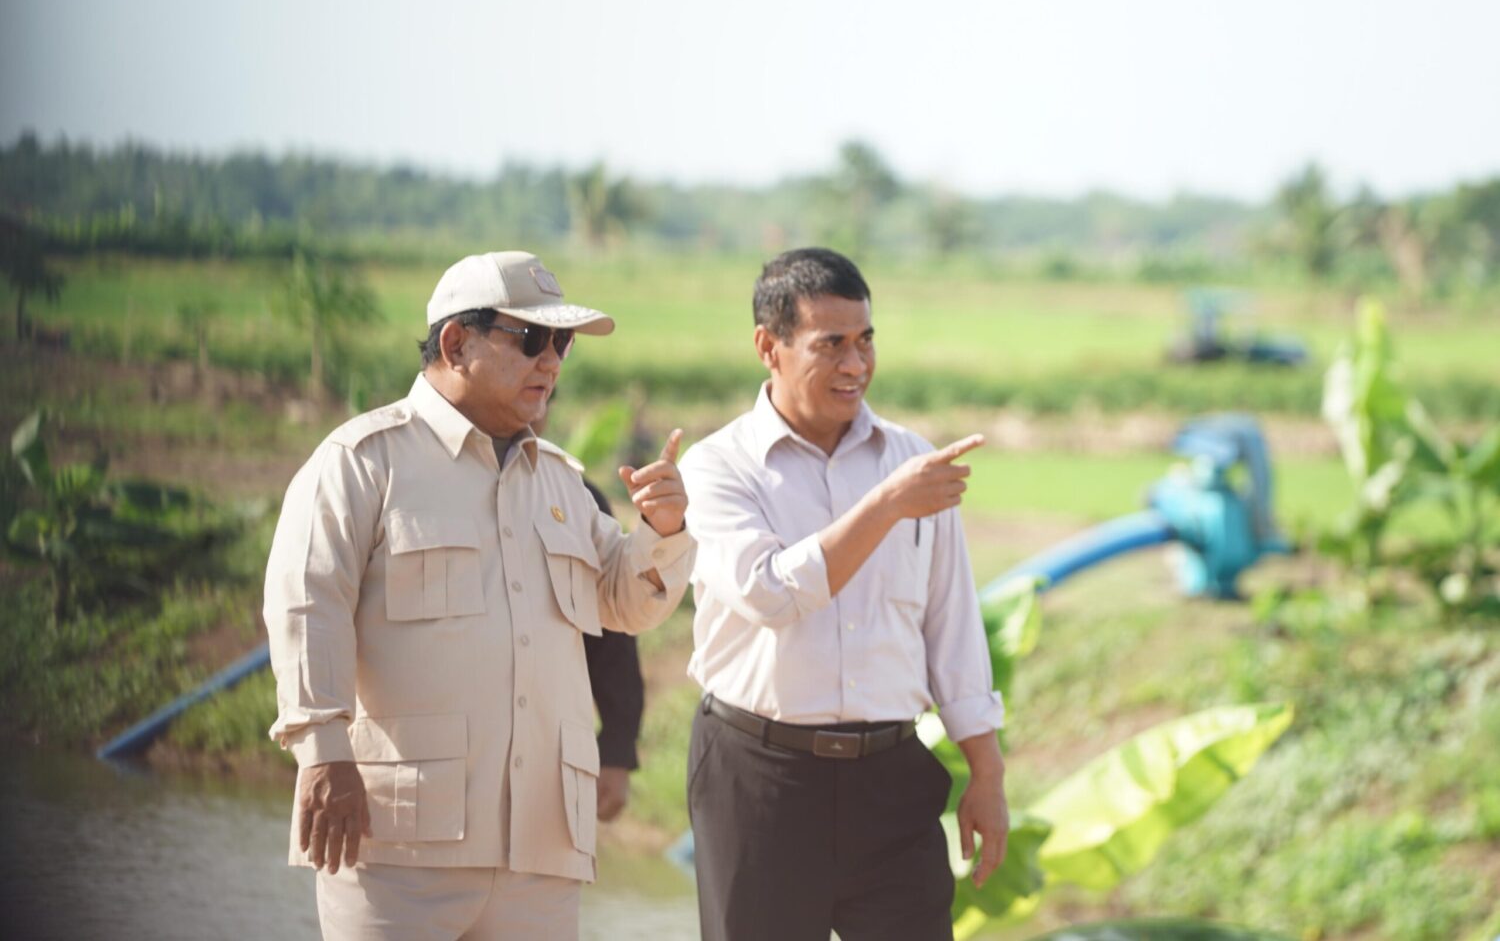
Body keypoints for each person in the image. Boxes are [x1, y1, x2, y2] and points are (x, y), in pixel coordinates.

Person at [262, 250, 695, 940]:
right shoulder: (362, 462)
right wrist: (322, 752)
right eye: (531, 338)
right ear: (456, 343)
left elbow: (625, 604)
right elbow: (308, 605)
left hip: (541, 851)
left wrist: (663, 529)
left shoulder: (557, 480)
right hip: (397, 847)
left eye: (562, 343)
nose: (550, 360)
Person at [679, 247, 1009, 941]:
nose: (855, 365)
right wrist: (886, 505)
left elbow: (952, 627)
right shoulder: (715, 469)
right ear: (768, 347)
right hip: (758, 780)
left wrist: (987, 771)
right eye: (831, 345)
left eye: (865, 341)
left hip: (891, 781)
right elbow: (768, 594)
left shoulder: (911, 461)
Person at [531, 394, 646, 823]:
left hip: (549, 757)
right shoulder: (404, 478)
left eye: (545, 397)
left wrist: (617, 748)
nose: (535, 410)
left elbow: (613, 638)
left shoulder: (574, 496)